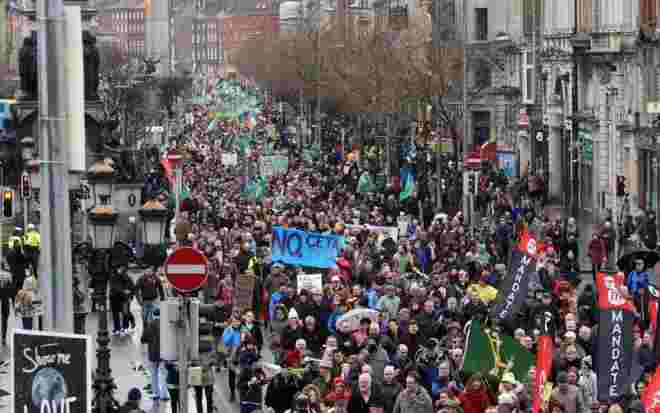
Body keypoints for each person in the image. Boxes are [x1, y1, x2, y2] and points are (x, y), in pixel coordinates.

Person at [0, 270, 12, 345]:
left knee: (4, 318)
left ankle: (3, 337)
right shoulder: (8, 274)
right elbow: (11, 287)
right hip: (5, 298)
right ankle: (3, 337)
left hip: (4, 297)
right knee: (4, 319)